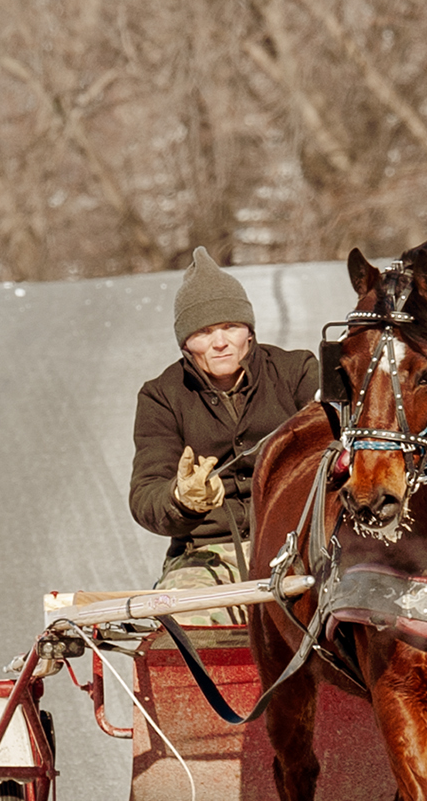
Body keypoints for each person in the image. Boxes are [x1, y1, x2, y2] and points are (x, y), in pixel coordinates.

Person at [131, 248, 320, 598]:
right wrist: (182, 498)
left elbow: (346, 446)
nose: (220, 343)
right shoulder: (161, 397)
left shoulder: (298, 373)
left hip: (301, 546)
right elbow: (145, 497)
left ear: (248, 330)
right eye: (204, 332)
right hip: (206, 557)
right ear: (185, 342)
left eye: (230, 327)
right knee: (187, 623)